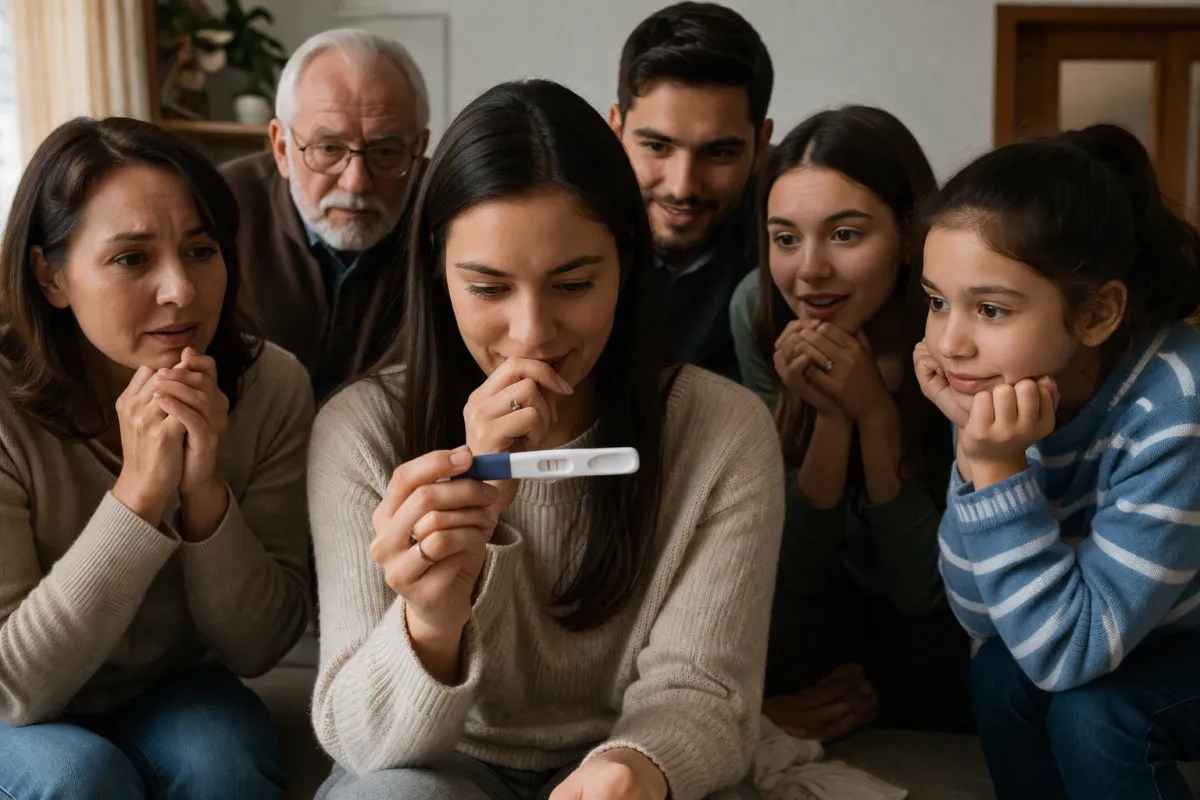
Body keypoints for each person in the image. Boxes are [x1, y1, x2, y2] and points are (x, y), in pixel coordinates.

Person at [308, 79, 784, 800]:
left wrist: (636, 767)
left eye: (572, 284)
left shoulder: (722, 430)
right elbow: (362, 741)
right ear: (438, 270)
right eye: (489, 288)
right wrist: (432, 615)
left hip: (628, 755)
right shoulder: (362, 429)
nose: (531, 334)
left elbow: (705, 689)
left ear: (625, 261)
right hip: (434, 765)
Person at [0, 117, 313, 797]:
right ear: (50, 275)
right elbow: (15, 690)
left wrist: (205, 492)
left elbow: (257, 648)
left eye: (201, 250)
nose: (181, 290)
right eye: (132, 259)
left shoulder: (272, 386)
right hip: (15, 712)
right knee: (79, 777)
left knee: (222, 759)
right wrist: (139, 496)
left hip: (173, 686)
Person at [918, 124, 1200, 799]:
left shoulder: (1180, 405)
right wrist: (979, 458)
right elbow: (984, 619)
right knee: (997, 675)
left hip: (1181, 635)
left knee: (1097, 713)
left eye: (990, 308)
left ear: (1098, 313)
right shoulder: (1015, 387)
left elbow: (1069, 651)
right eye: (935, 302)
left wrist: (995, 469)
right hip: (1140, 627)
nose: (951, 341)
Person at [729, 106, 970, 743]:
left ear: (912, 235)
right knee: (777, 620)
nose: (809, 270)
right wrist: (832, 417)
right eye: (786, 238)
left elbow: (926, 591)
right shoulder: (760, 308)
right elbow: (798, 572)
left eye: (845, 235)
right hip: (825, 594)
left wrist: (874, 413)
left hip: (941, 600)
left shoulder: (958, 331)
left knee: (940, 652)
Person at [221, 29, 430, 400]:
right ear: (282, 148)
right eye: (328, 148)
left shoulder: (452, 211)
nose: (356, 183)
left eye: (385, 152)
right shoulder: (217, 209)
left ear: (419, 148)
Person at [609, 1, 773, 381]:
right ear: (616, 130)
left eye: (717, 152)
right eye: (656, 147)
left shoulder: (797, 250)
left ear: (760, 146)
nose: (682, 186)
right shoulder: (563, 224)